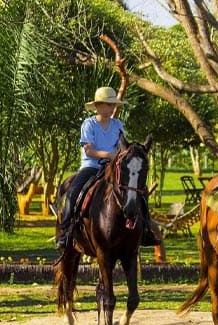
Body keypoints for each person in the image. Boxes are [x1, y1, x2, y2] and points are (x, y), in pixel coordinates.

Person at [56, 86, 158, 250]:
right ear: (97, 106)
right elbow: (88, 150)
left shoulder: (117, 124)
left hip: (114, 168)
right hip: (91, 166)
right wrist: (109, 155)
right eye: (107, 105)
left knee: (140, 190)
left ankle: (145, 229)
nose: (110, 108)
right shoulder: (88, 124)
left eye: (112, 105)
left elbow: (123, 147)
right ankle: (65, 231)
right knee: (74, 192)